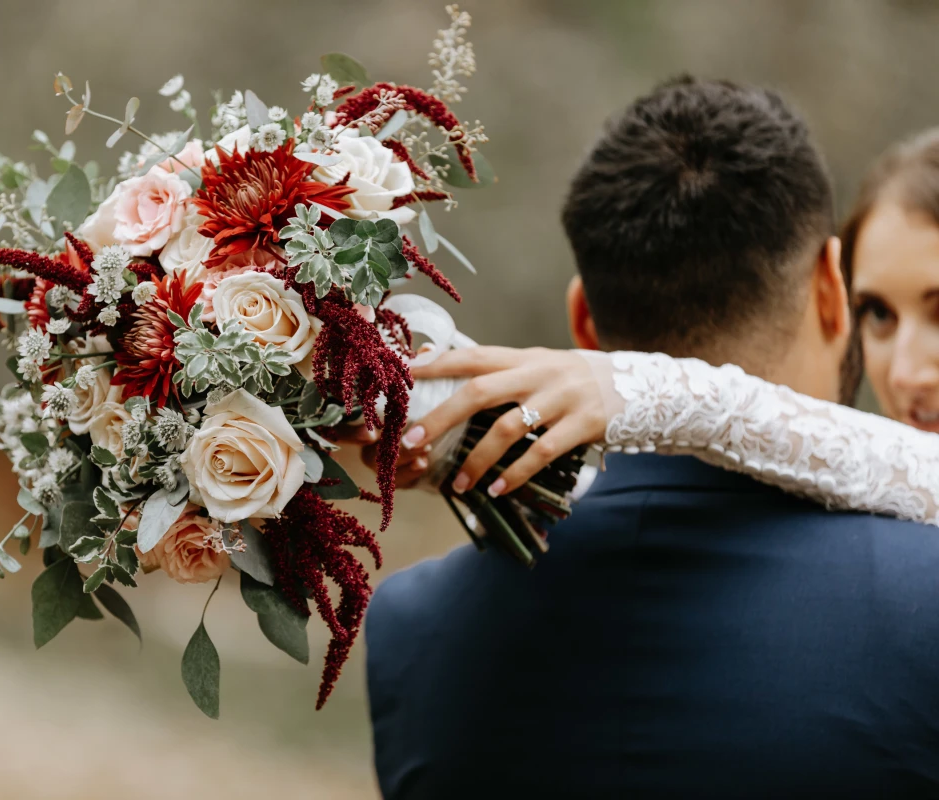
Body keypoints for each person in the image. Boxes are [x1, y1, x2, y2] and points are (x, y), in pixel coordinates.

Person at [364, 76, 939, 798]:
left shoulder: (413, 630)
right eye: (880, 312)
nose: (911, 367)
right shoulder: (924, 601)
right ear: (832, 287)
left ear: (583, 323)